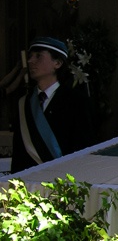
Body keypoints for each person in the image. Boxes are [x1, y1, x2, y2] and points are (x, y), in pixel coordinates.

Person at [11, 36, 94, 173]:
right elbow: (19, 153)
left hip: (65, 180)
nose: (31, 61)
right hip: (30, 184)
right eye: (30, 56)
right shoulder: (24, 103)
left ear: (57, 63)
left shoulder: (76, 101)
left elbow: (84, 147)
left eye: (38, 56)